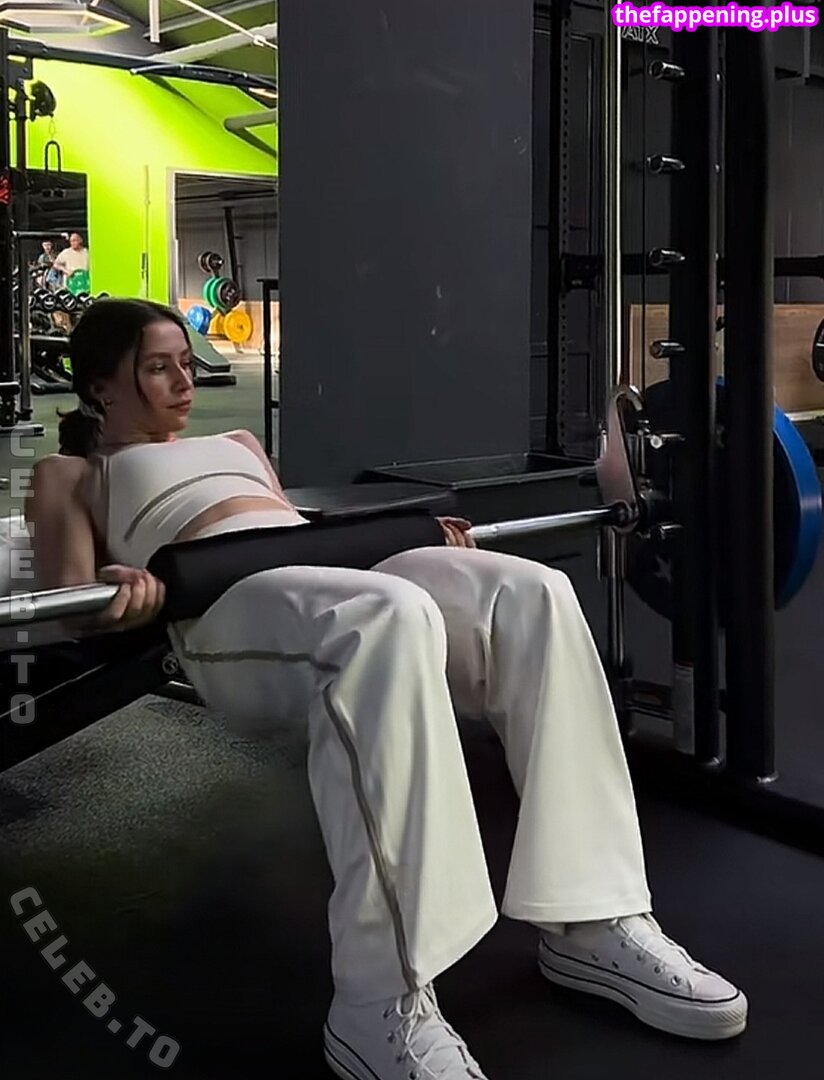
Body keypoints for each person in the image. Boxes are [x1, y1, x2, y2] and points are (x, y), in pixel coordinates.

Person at [25, 299, 748, 1080]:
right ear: (100, 386)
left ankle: (592, 917)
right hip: (221, 605)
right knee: (384, 616)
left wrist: (412, 539)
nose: (183, 380)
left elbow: (295, 527)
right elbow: (69, 605)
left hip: (321, 567)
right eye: (156, 367)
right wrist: (117, 587)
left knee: (531, 593)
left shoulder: (236, 442)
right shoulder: (72, 474)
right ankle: (378, 1000)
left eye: (183, 362)